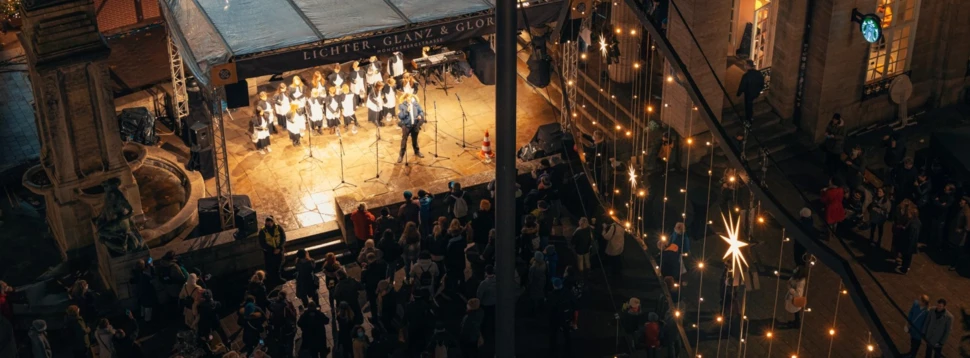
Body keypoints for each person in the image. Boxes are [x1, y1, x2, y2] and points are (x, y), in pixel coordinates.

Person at [258, 216, 286, 287]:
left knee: (278, 265)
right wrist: (272, 250)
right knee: (270, 267)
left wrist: (279, 248)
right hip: (269, 253)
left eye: (270, 223)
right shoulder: (263, 231)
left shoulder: (278, 228)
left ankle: (278, 278)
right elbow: (262, 243)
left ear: (273, 222)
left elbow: (283, 237)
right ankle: (271, 281)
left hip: (278, 251)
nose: (268, 225)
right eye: (267, 223)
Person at [397, 93, 425, 163]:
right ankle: (401, 155)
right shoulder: (402, 106)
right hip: (406, 125)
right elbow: (400, 116)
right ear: (405, 98)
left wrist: (420, 115)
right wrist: (407, 111)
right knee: (404, 140)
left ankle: (417, 151)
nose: (409, 99)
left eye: (410, 97)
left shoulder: (416, 104)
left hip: (415, 124)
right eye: (408, 98)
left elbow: (421, 111)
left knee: (415, 139)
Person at [361, 252, 388, 318]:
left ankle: (375, 317)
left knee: (373, 303)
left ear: (368, 259)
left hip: (371, 289)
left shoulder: (366, 271)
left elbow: (363, 280)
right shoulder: (382, 263)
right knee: (383, 299)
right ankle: (383, 313)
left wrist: (363, 269)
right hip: (381, 285)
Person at [896, 205, 922, 274]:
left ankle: (904, 269)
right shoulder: (914, 220)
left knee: (907, 256)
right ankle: (905, 267)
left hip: (909, 243)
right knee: (907, 256)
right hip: (910, 243)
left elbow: (911, 234)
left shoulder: (914, 223)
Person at [946, 197, 970, 270]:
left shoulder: (967, 212)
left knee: (958, 250)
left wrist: (961, 230)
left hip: (961, 235)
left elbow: (968, 226)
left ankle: (955, 265)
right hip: (957, 234)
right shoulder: (962, 210)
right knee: (954, 248)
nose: (960, 202)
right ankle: (953, 263)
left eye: (962, 202)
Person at [477, 265, 497, 344]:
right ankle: (494, 331)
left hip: (485, 304)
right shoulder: (497, 280)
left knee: (484, 320)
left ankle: (484, 334)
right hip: (495, 303)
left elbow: (479, 295)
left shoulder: (484, 283)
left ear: (485, 272)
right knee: (493, 318)